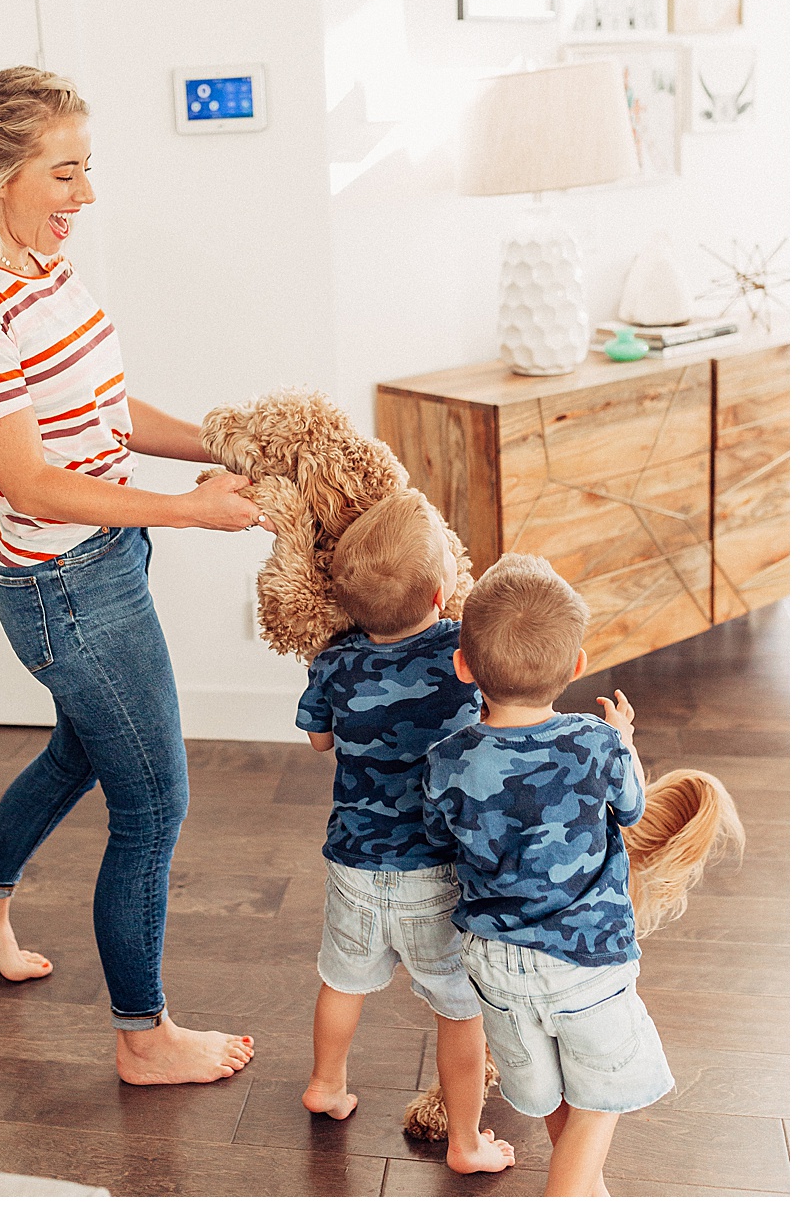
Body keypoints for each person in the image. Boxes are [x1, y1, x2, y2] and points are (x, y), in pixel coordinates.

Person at [0, 65, 267, 1085]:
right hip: (66, 587)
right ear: (0, 173)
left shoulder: (39, 265)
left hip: (106, 559)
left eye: (86, 168)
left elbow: (104, 408)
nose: (87, 195)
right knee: (152, 804)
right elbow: (31, 479)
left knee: (80, 750)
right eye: (65, 173)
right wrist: (192, 509)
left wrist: (227, 442)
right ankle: (143, 1038)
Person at [423, 553, 674, 1197]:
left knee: (558, 1091)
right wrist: (624, 740)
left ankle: (588, 1191)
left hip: (495, 968)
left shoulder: (447, 760)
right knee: (602, 1097)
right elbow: (633, 809)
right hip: (585, 961)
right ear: (578, 664)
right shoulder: (596, 742)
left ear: (463, 665)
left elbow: (439, 839)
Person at [295, 491, 515, 1176]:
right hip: (437, 872)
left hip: (354, 863)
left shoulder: (333, 662)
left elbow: (319, 741)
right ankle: (466, 1141)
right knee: (460, 1009)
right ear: (444, 593)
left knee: (342, 981)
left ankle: (326, 1084)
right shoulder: (462, 651)